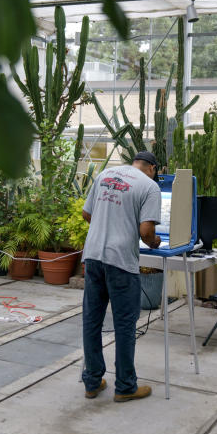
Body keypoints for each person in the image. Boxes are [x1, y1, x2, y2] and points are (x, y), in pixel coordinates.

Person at [80, 150, 162, 402]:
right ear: (153, 168)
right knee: (125, 325)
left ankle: (92, 382)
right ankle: (125, 386)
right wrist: (155, 242)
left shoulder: (106, 174)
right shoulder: (149, 186)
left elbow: (86, 214)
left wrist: (109, 224)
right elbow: (146, 231)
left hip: (93, 255)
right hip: (121, 262)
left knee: (92, 321)